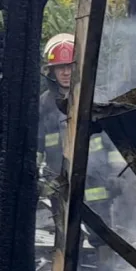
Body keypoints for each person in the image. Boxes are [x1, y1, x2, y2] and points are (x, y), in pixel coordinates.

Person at [37, 34, 127, 244]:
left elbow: (114, 143)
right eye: (60, 67)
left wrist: (116, 175)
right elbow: (37, 145)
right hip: (59, 184)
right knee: (66, 237)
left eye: (70, 66)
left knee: (102, 235)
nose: (66, 72)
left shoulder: (97, 99)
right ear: (51, 70)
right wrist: (33, 178)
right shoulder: (43, 105)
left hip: (96, 180)